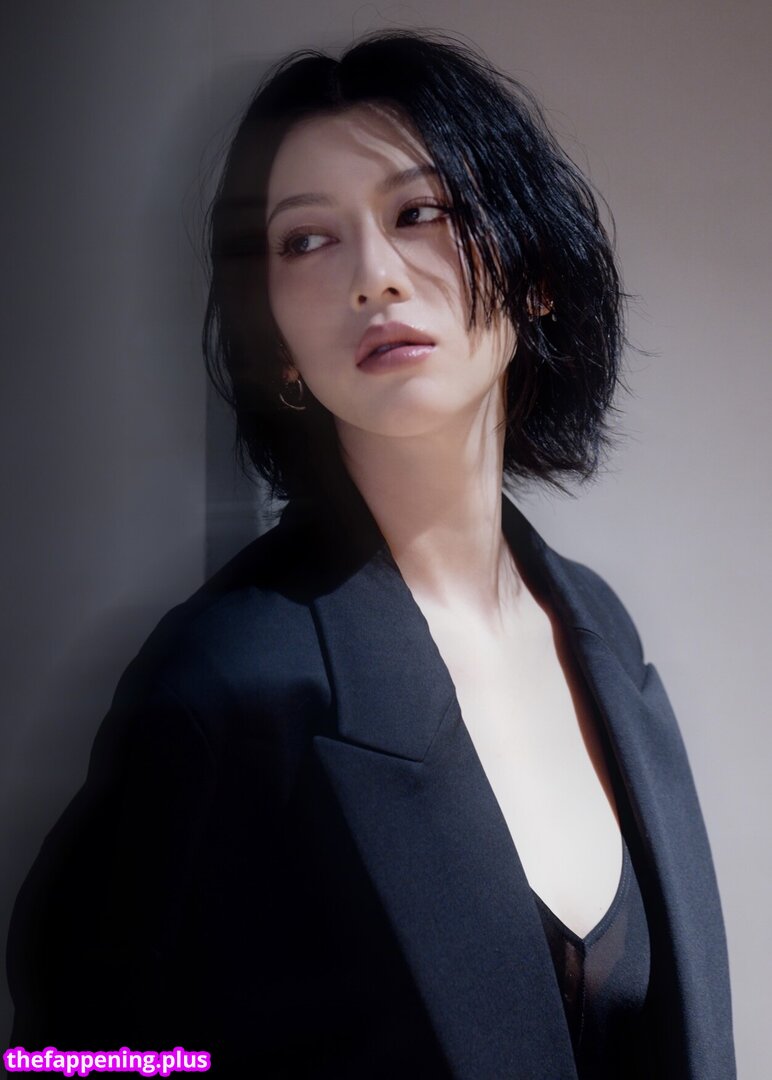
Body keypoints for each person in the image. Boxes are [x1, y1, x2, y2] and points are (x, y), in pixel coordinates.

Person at [7, 30, 735, 1080]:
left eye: (419, 213)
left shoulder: (601, 636)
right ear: (274, 339)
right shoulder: (227, 683)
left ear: (534, 274)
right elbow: (70, 1055)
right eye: (306, 241)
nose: (373, 278)